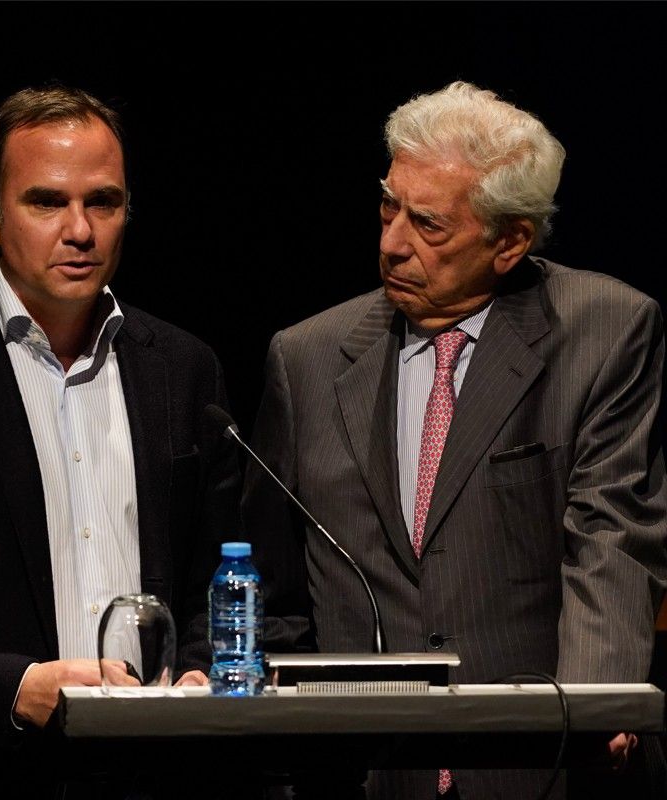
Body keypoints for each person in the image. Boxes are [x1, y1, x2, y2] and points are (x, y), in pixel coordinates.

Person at [241, 81, 667, 799]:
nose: (392, 244)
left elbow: (612, 539)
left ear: (509, 242)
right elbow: (272, 588)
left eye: (428, 226)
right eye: (388, 206)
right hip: (366, 775)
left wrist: (592, 709)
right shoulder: (306, 358)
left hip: (541, 768)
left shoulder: (603, 331)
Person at [0, 84, 239, 799]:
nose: (80, 230)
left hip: (158, 776)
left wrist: (200, 669)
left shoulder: (185, 369)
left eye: (103, 202)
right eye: (46, 202)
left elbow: (215, 577)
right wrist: (14, 688)